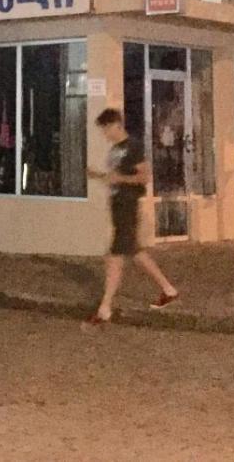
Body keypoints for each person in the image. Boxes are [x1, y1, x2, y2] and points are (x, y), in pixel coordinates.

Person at [84, 106, 179, 327]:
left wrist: (120, 180)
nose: (105, 134)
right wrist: (98, 175)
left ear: (116, 125)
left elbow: (144, 177)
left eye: (106, 129)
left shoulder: (133, 147)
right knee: (134, 251)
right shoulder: (115, 149)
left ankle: (105, 308)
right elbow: (115, 177)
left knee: (115, 256)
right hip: (118, 206)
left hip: (128, 205)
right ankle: (168, 290)